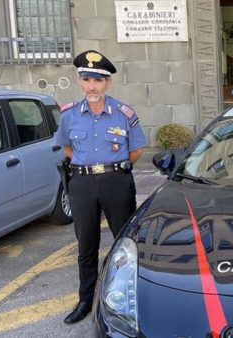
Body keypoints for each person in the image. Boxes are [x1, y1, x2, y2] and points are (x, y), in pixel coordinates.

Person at [55, 50, 146, 324]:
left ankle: (132, 298)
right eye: (86, 79)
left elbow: (136, 151)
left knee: (125, 244)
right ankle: (85, 300)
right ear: (79, 81)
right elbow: (67, 148)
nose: (91, 86)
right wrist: (88, 166)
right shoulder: (69, 115)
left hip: (116, 182)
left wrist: (111, 168)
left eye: (98, 80)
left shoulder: (123, 113)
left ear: (108, 83)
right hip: (81, 183)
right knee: (86, 245)